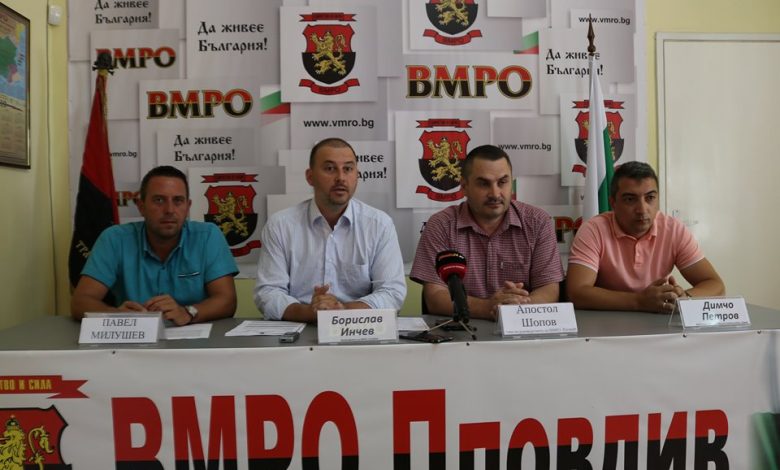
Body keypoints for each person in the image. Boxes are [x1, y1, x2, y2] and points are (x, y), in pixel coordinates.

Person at [254, 137, 406, 322]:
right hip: (301, 325)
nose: (340, 177)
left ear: (357, 175)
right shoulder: (280, 225)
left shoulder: (379, 225)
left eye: (348, 169)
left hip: (359, 327)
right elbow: (268, 293)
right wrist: (310, 313)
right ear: (310, 177)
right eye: (330, 168)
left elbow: (392, 293)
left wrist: (342, 311)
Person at [410, 144, 564, 320]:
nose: (495, 193)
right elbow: (435, 296)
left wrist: (516, 310)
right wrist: (488, 308)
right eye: (484, 184)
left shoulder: (537, 222)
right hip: (462, 332)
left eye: (502, 182)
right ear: (464, 186)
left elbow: (549, 289)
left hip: (523, 329)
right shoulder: (441, 225)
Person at [71, 166, 238, 325]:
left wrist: (188, 312)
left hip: (195, 338)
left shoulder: (208, 236)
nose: (169, 210)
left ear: (188, 207)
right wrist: (118, 316)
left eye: (178, 201)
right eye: (159, 200)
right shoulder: (115, 239)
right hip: (134, 338)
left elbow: (227, 301)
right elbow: (80, 302)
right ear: (141, 206)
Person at [566, 161, 725, 313]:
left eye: (650, 198)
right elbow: (577, 293)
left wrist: (684, 299)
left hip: (657, 322)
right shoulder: (594, 230)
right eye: (630, 199)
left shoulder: (673, 230)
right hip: (605, 323)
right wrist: (639, 301)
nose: (642, 209)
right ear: (613, 203)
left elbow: (715, 285)